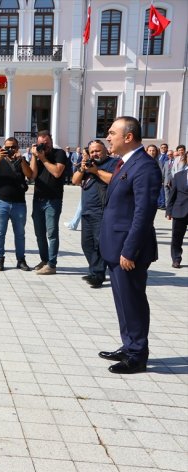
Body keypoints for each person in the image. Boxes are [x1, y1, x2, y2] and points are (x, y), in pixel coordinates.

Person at [98, 116, 161, 374]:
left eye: (112, 133)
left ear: (128, 137)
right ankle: (128, 344)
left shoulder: (145, 166)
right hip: (115, 246)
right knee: (122, 301)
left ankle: (137, 355)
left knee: (133, 301)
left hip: (128, 250)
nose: (108, 137)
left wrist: (129, 249)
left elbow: (144, 213)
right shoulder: (125, 163)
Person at [72, 140, 116, 288]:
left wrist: (96, 171)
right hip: (87, 211)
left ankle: (97, 275)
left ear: (105, 150)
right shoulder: (88, 165)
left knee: (99, 245)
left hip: (102, 211)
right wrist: (83, 169)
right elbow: (74, 181)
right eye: (92, 152)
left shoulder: (113, 163)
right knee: (87, 244)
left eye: (97, 151)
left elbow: (114, 180)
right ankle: (96, 271)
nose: (95, 154)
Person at [0, 137, 33, 271]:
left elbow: (30, 175)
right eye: (8, 147)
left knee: (20, 233)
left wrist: (22, 160)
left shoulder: (22, 160)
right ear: (2, 148)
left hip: (19, 203)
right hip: (1, 202)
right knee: (0, 233)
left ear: (18, 148)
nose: (11, 150)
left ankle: (21, 260)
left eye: (13, 147)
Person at [29, 130, 68, 275]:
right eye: (41, 144)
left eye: (46, 143)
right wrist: (34, 157)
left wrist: (43, 158)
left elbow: (57, 172)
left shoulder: (59, 154)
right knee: (39, 233)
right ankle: (44, 260)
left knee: (52, 233)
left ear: (51, 141)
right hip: (38, 199)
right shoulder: (38, 156)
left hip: (53, 199)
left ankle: (52, 264)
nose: (44, 146)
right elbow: (32, 175)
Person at [167, 159, 188, 269]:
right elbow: (172, 194)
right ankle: (176, 259)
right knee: (177, 238)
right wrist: (169, 211)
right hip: (180, 210)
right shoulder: (179, 176)